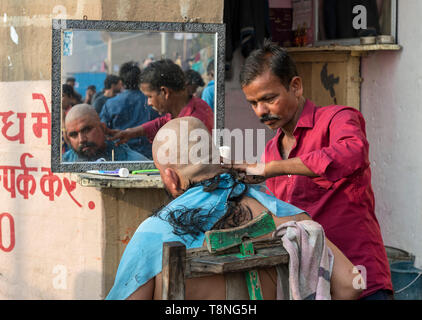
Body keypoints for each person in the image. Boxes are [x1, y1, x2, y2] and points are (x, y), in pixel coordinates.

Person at [105, 116, 362, 300]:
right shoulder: (289, 217)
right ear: (219, 161)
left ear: (170, 178)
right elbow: (352, 284)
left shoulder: (154, 233)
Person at [228, 40, 393, 300]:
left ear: (296, 86)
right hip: (315, 288)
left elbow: (352, 153)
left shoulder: (337, 119)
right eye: (254, 103)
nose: (261, 111)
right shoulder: (271, 150)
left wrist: (271, 169)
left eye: (269, 99)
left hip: (362, 279)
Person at [108, 59, 214, 149]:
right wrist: (131, 132)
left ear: (165, 92)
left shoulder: (195, 123)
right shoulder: (181, 110)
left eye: (150, 97)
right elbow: (162, 122)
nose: (148, 103)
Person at [100, 61, 160, 159]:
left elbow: (103, 130)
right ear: (140, 79)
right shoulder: (152, 101)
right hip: (150, 157)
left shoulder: (111, 104)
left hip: (121, 157)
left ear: (121, 81)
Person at [63, 104, 148, 162]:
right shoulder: (64, 162)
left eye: (86, 130)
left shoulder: (134, 161)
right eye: (73, 135)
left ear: (103, 128)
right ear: (67, 138)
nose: (81, 140)